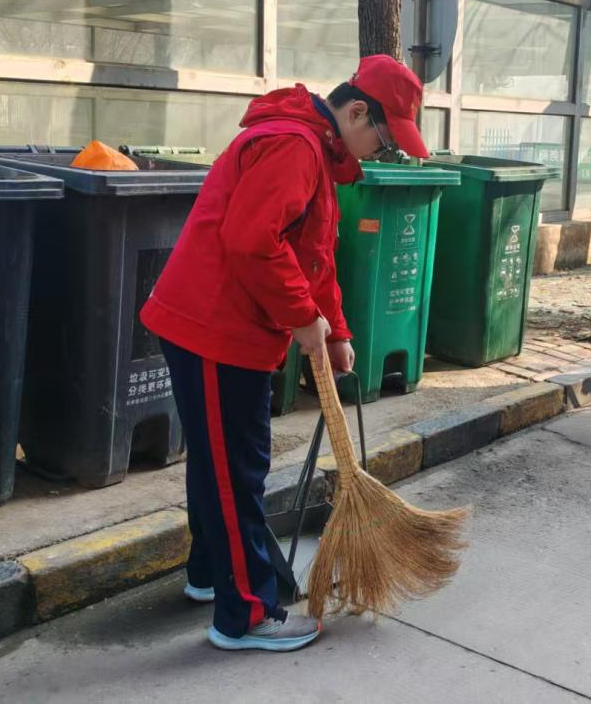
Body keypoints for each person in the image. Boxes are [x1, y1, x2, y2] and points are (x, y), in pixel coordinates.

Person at [140, 55, 429, 653]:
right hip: (214, 330)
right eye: (384, 138)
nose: (382, 152)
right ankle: (246, 616)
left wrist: (337, 330)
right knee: (236, 473)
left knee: (220, 465)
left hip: (225, 327)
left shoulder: (315, 150)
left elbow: (311, 255)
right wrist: (302, 318)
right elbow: (252, 243)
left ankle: (210, 574)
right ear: (357, 112)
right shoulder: (295, 147)